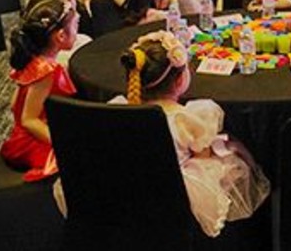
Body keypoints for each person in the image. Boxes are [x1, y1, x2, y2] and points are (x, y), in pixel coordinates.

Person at [116, 30, 270, 237]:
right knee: (232, 159)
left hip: (125, 193)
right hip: (172, 199)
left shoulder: (117, 111)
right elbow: (204, 160)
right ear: (180, 80)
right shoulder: (187, 118)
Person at [0, 0, 81, 181]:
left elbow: (14, 105)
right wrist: (59, 141)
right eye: (76, 25)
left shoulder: (34, 60)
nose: (78, 29)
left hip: (21, 137)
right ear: (60, 36)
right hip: (30, 145)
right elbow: (28, 119)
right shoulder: (46, 71)